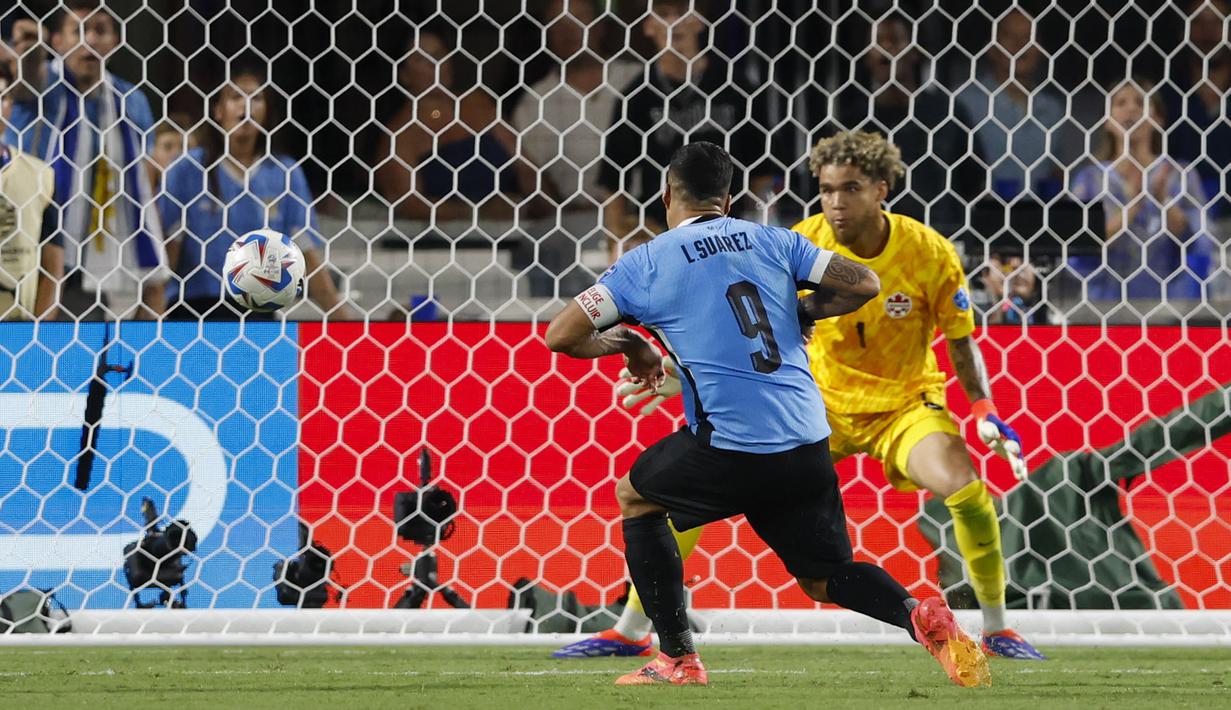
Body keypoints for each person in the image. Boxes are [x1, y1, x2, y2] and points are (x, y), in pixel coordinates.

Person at [558, 131, 1046, 663]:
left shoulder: (926, 249)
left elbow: (562, 334)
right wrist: (796, 315)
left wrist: (635, 345)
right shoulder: (783, 239)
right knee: (824, 576)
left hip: (890, 408)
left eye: (851, 189)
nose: (836, 202)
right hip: (814, 417)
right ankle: (916, 612)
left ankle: (671, 654)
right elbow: (856, 286)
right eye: (827, 189)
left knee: (648, 498)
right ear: (727, 199)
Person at [5, 1, 167, 319]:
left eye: (100, 31)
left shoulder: (132, 101)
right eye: (78, 30)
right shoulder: (39, 88)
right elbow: (23, 82)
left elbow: (144, 186)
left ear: (115, 41)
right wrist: (28, 52)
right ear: (57, 41)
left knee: (86, 356)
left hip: (100, 255)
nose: (89, 40)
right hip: (27, 248)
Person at [158, 68, 349, 320]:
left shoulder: (285, 173)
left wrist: (346, 325)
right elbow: (167, 253)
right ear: (217, 110)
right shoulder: (187, 169)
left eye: (256, 97)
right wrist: (149, 326)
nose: (245, 104)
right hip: (193, 312)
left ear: (267, 112)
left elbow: (307, 254)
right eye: (236, 96)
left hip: (257, 313)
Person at [598, 0, 776, 262]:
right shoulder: (635, 98)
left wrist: (758, 229)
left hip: (730, 234)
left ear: (699, 20)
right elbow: (613, 182)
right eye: (663, 14)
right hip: (662, 236)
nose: (673, 22)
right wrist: (615, 248)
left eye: (682, 13)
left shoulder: (738, 87)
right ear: (648, 26)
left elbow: (764, 168)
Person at [511, 0, 639, 294]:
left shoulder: (636, 79)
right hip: (571, 226)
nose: (567, 31)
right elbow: (532, 184)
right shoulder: (534, 102)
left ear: (600, 26)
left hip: (641, 220)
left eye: (577, 20)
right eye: (557, 24)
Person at [373, 25, 547, 222]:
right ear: (403, 75)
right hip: (446, 242)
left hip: (513, 229)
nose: (435, 64)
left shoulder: (478, 103)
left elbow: (525, 166)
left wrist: (543, 206)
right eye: (421, 59)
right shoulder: (399, 135)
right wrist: (476, 213)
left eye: (439, 55)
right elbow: (410, 205)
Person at [1069, 80, 1211, 302]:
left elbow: (1196, 241)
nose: (1131, 109)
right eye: (1120, 103)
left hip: (1168, 305)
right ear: (1106, 120)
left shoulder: (1180, 174)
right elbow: (1079, 246)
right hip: (1104, 306)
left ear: (1158, 119)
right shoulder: (1090, 178)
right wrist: (1133, 207)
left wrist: (1162, 199)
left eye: (1140, 103)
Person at [954, 7, 1076, 200]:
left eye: (1029, 37)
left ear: (1041, 49)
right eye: (1010, 36)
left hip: (1038, 221)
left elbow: (1056, 171)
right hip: (980, 219)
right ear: (991, 47)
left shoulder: (1053, 109)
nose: (1020, 45)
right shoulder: (964, 102)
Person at [0, 60, 62, 320]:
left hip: (22, 337)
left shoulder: (40, 176)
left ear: (10, 105)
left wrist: (39, 337)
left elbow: (53, 269)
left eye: (2, 97)